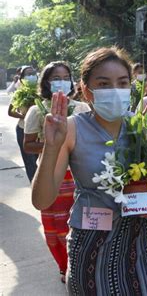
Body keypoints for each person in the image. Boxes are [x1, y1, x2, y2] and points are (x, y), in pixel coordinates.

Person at [31, 47, 147, 295]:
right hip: (91, 244)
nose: (115, 91)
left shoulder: (140, 126)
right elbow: (42, 200)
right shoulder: (71, 128)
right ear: (87, 90)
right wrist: (51, 147)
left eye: (122, 83)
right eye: (104, 84)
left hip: (139, 241)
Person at [23, 61, 90, 283]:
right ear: (46, 82)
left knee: (82, 224)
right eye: (56, 78)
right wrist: (52, 144)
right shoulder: (37, 110)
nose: (62, 81)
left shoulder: (82, 108)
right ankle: (65, 268)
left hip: (79, 175)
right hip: (52, 174)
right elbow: (28, 145)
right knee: (56, 229)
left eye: (66, 76)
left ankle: (83, 264)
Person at [7, 66, 39, 182]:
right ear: (22, 78)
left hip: (40, 132)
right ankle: (34, 185)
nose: (31, 76)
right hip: (23, 129)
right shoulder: (19, 93)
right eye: (28, 74)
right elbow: (10, 112)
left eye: (33, 73)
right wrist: (26, 116)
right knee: (29, 162)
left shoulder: (42, 91)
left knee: (40, 160)